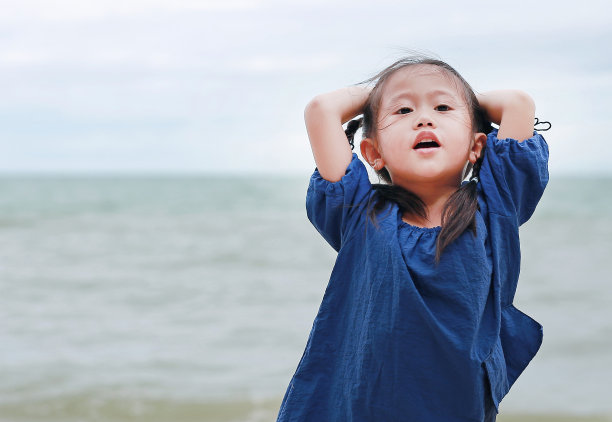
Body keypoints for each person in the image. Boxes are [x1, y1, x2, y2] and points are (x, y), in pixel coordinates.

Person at [277, 56, 549, 422]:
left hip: (455, 408)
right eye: (403, 111)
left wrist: (457, 95)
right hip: (356, 408)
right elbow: (322, 109)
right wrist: (386, 90)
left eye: (442, 108)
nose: (424, 118)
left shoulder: (495, 206)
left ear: (476, 146)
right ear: (373, 153)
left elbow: (517, 104)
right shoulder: (359, 213)